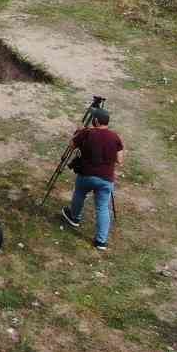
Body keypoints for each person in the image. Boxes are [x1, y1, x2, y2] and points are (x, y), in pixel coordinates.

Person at [59, 107, 124, 250]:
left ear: (95, 120)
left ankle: (74, 217)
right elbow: (120, 160)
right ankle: (101, 241)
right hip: (106, 179)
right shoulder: (115, 137)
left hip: (86, 175)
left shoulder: (87, 133)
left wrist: (79, 132)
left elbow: (71, 145)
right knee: (102, 207)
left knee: (80, 193)